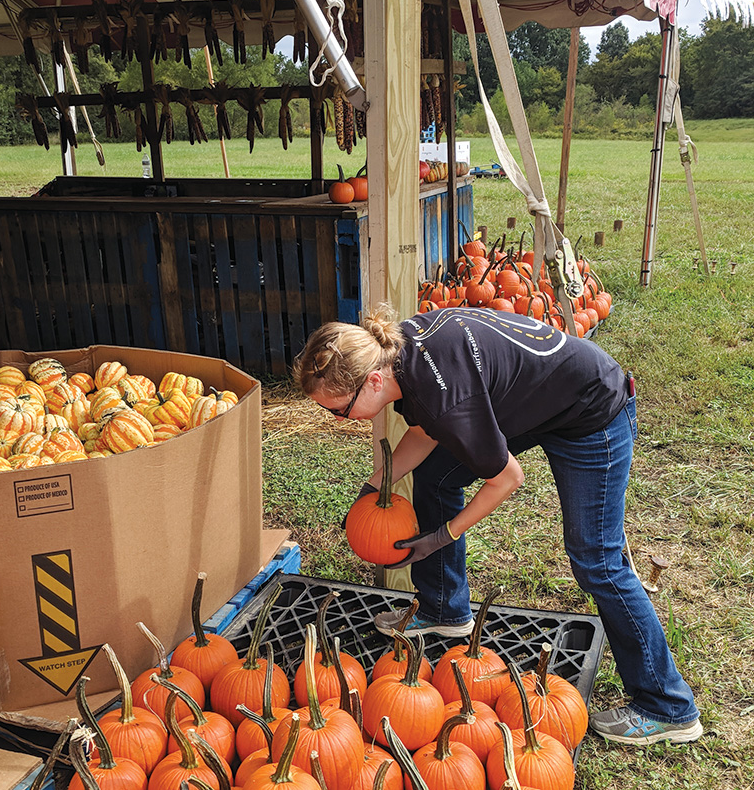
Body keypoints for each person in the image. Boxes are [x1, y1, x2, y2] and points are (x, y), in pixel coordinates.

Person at [293, 304, 702, 746]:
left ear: (373, 381)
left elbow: (506, 478)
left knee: (596, 561)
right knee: (434, 476)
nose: (338, 420)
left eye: (338, 410)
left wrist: (440, 537)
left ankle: (667, 706)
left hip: (591, 413)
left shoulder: (441, 393)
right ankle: (444, 609)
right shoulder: (399, 350)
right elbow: (428, 432)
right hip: (539, 401)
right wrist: (374, 487)